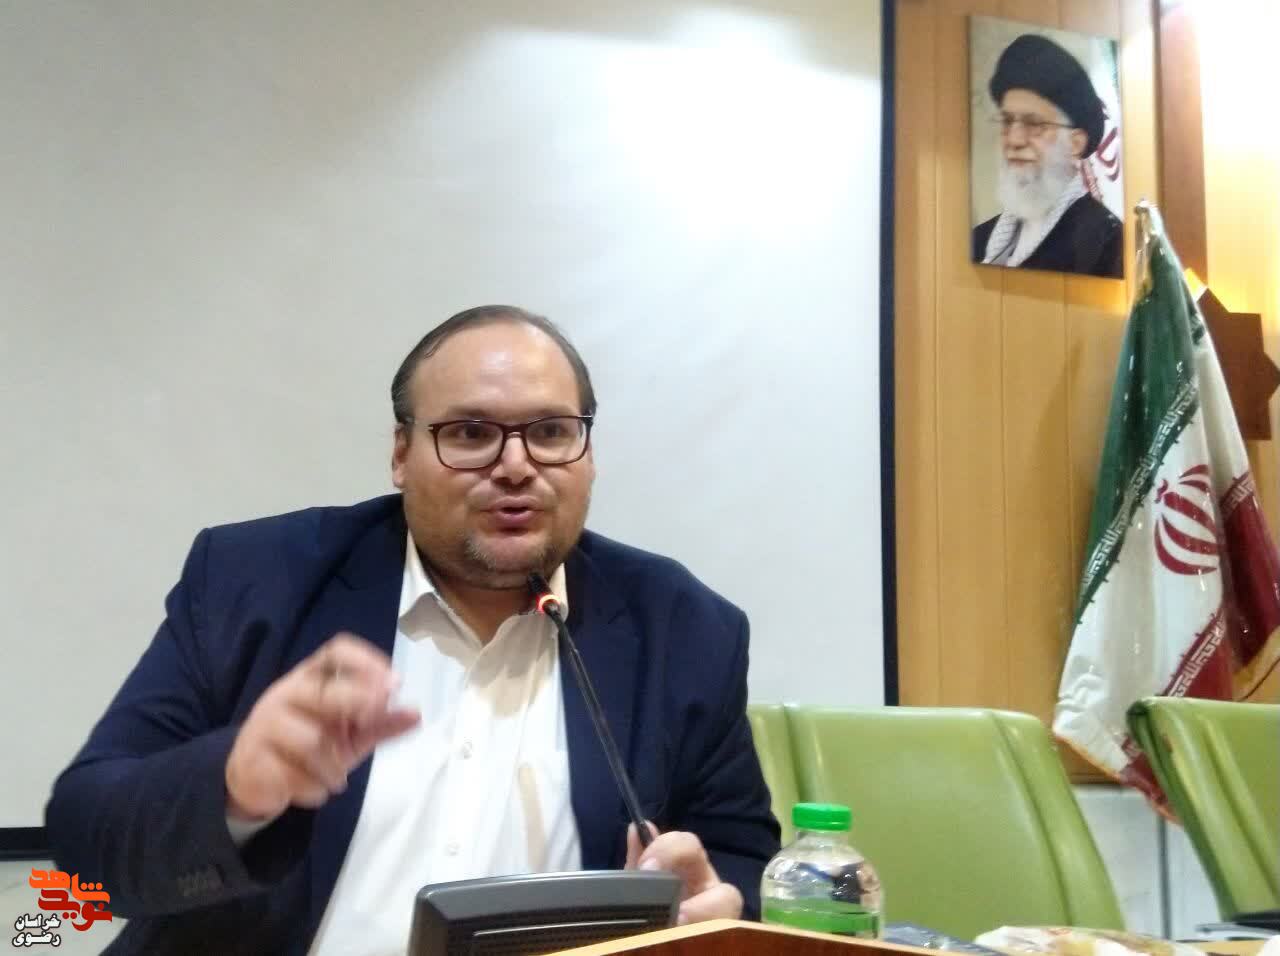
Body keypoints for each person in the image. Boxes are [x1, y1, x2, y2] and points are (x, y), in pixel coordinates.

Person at [45, 305, 779, 956]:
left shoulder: (688, 629)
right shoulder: (254, 581)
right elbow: (86, 840)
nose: (516, 466)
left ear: (588, 452)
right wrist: (233, 785)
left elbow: (738, 861)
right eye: (470, 433)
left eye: (552, 432)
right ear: (401, 455)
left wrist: (716, 902)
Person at [972, 33, 1124, 278]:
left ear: (1075, 143)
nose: (1014, 139)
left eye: (1034, 124)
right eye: (1007, 121)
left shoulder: (1107, 243)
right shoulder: (980, 240)